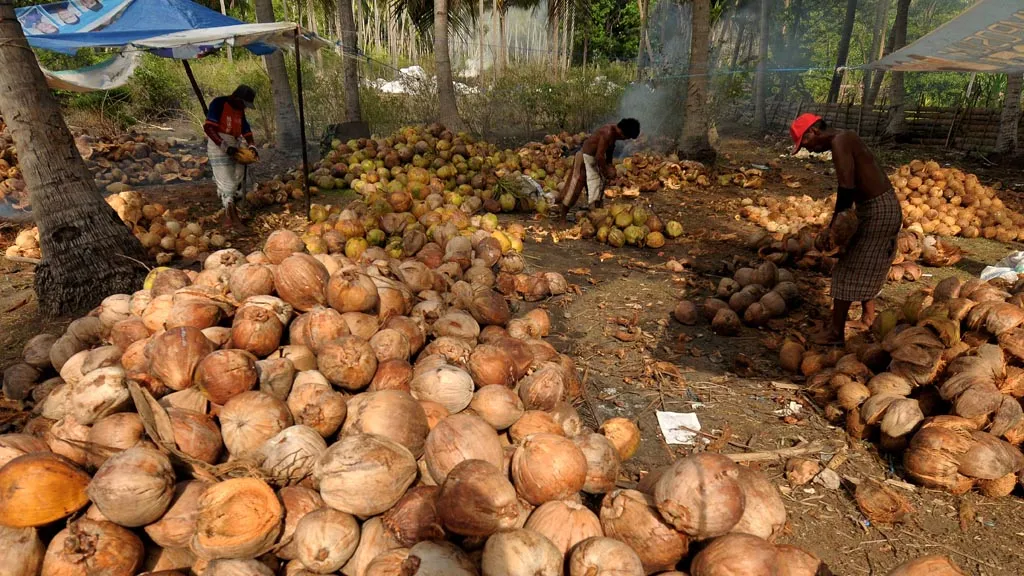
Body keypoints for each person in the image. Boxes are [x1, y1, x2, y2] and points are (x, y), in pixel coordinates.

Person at [790, 113, 902, 345]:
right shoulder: (845, 137)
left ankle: (836, 333)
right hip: (880, 207)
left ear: (813, 131)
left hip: (877, 210)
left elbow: (846, 187)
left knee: (848, 268)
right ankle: (868, 318)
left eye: (805, 142)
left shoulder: (840, 141)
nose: (808, 149)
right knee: (869, 262)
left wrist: (835, 228)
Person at [557, 118, 641, 218]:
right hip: (584, 157)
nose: (624, 140)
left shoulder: (613, 134)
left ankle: (595, 211)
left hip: (592, 160)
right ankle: (562, 216)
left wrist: (610, 165)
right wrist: (605, 171)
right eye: (626, 138)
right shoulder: (607, 133)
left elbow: (609, 151)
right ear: (622, 133)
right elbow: (599, 156)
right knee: (575, 187)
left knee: (596, 185)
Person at [205, 85, 259, 228]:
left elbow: (246, 129)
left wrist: (252, 146)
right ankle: (230, 218)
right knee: (227, 182)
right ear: (236, 98)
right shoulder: (219, 103)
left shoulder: (240, 110)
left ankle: (232, 208)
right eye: (243, 104)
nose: (244, 107)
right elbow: (209, 127)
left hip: (234, 143)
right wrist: (224, 146)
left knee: (237, 176)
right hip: (218, 144)